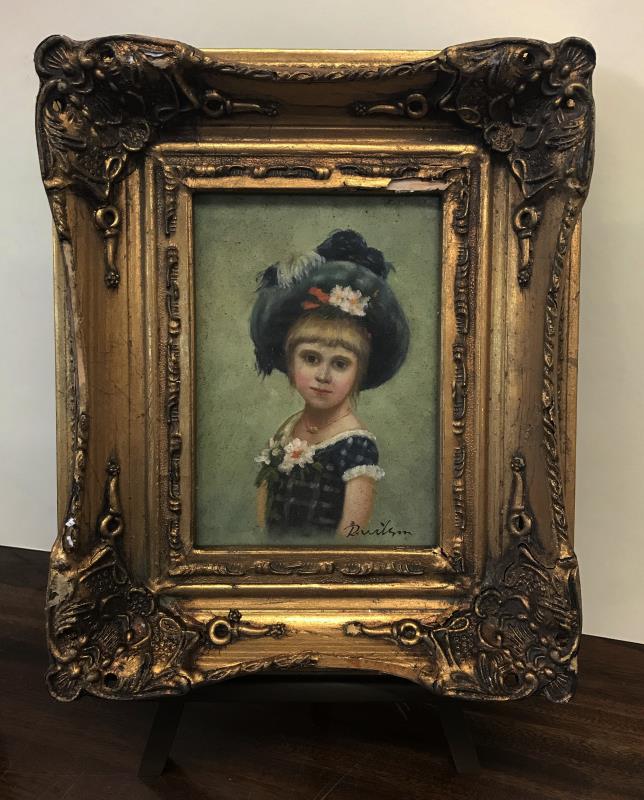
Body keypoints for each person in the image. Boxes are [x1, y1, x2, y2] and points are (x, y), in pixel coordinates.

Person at [250, 229, 409, 539]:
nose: (323, 375)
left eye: (340, 364)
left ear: (360, 372)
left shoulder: (355, 446)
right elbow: (263, 515)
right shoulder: (287, 429)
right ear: (290, 361)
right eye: (311, 358)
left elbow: (350, 536)